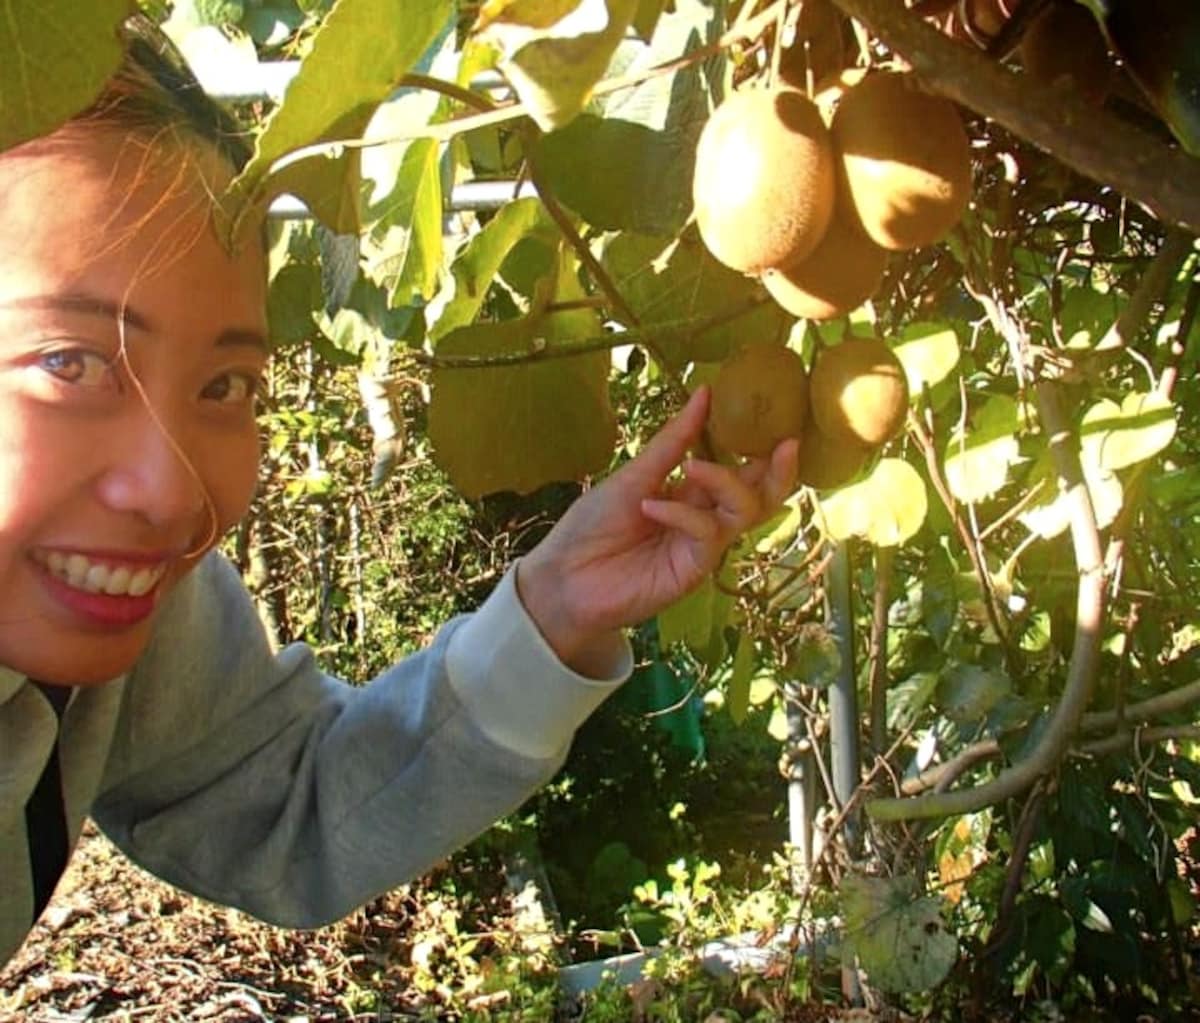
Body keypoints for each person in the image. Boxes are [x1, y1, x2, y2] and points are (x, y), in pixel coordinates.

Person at [0, 16, 798, 969]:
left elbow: (294, 800)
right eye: (68, 362)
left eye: (226, 387)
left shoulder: (122, 616)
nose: (171, 491)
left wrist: (552, 613)